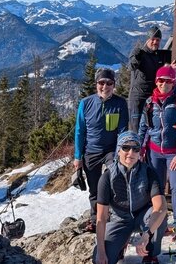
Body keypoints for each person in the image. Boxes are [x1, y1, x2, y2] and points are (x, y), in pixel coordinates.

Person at [138, 65, 176, 241]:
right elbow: (144, 127)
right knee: (156, 190)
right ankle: (159, 224)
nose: (164, 84)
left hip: (175, 152)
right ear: (156, 81)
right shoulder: (150, 103)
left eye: (168, 81)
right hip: (155, 152)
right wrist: (140, 148)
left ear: (174, 82)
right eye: (161, 80)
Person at [93, 132, 167, 264]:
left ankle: (150, 254)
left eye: (135, 148)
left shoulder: (148, 172)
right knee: (101, 259)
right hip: (119, 219)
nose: (130, 152)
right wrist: (101, 251)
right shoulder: (107, 177)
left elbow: (160, 207)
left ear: (139, 153)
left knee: (160, 218)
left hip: (142, 216)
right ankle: (119, 247)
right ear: (118, 150)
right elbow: (101, 217)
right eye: (126, 147)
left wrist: (146, 235)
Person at [73, 68, 129, 232]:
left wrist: (121, 153)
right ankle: (96, 220)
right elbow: (79, 131)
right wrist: (78, 156)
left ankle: (117, 216)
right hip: (91, 152)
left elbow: (123, 130)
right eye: (101, 83)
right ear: (96, 84)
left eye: (109, 83)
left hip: (111, 151)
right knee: (94, 189)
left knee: (115, 181)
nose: (105, 86)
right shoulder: (86, 103)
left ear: (114, 85)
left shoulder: (120, 103)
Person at [128, 25, 171, 132]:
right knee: (135, 127)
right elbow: (131, 66)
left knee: (151, 127)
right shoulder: (139, 52)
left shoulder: (162, 55)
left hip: (153, 97)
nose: (155, 42)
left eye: (158, 40)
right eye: (153, 39)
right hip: (138, 98)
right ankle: (134, 148)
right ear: (148, 39)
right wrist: (136, 58)